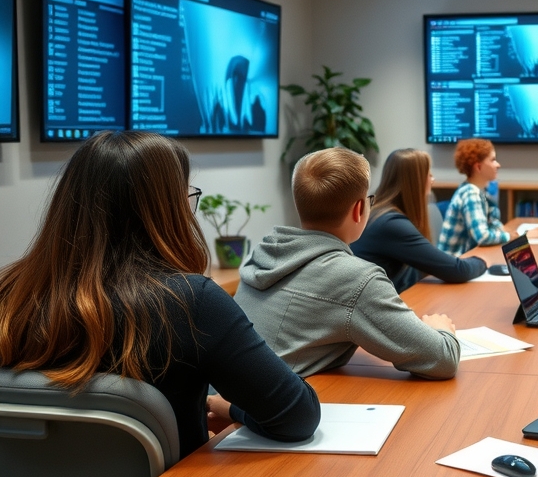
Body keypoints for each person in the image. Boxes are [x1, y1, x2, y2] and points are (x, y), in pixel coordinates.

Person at [0, 131, 320, 457]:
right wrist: (229, 408)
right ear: (167, 211)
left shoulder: (8, 292)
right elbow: (297, 417)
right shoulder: (191, 302)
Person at [234, 147, 460, 380]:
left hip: (224, 402)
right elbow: (443, 359)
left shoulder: (262, 253)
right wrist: (442, 328)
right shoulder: (357, 279)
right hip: (261, 412)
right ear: (359, 209)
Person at [351, 148, 486, 293]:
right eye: (429, 175)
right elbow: (458, 270)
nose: (432, 180)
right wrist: (484, 261)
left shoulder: (379, 212)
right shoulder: (390, 223)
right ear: (417, 181)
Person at [437, 138, 510, 255]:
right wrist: (510, 237)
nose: (498, 165)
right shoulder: (470, 193)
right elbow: (483, 237)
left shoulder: (478, 191)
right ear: (478, 167)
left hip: (463, 261)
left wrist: (515, 233)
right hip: (454, 266)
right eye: (493, 160)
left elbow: (491, 223)